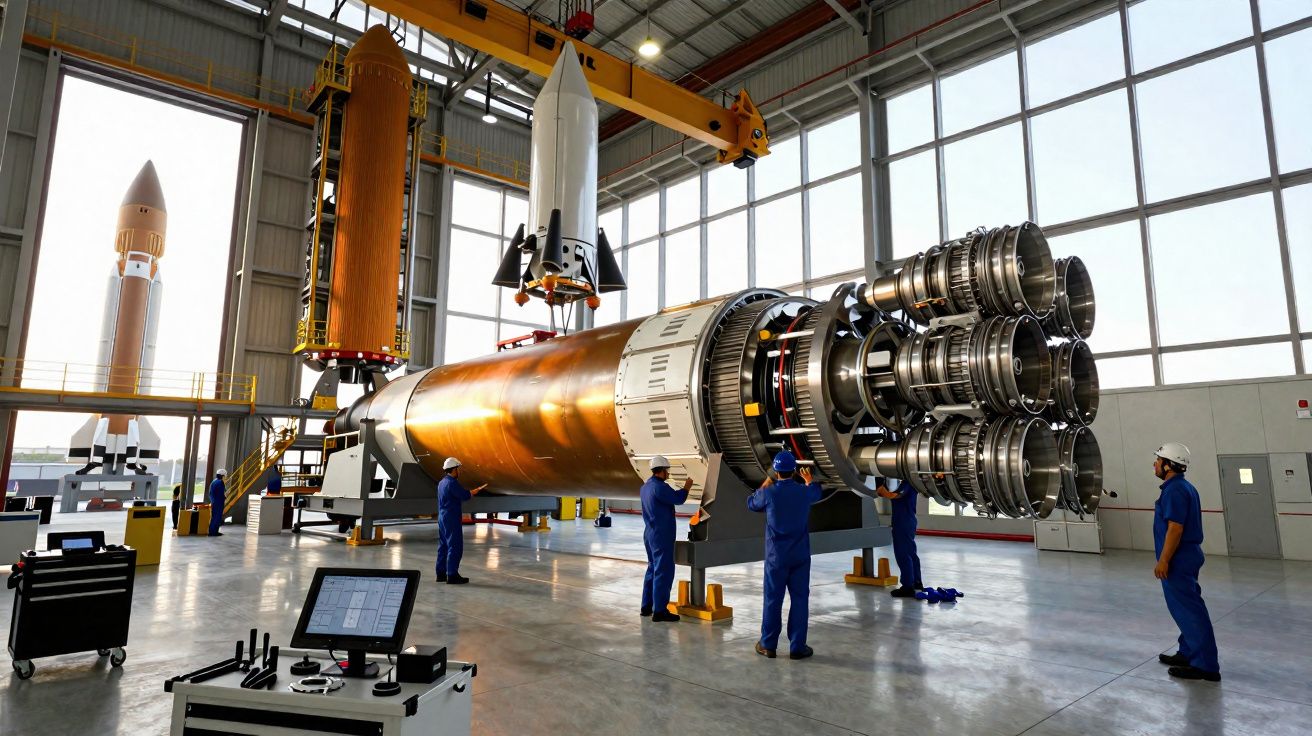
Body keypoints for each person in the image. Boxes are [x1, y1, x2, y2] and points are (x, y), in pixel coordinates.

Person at [1152, 442, 1220, 681]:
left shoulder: (1174, 491)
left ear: (1169, 465)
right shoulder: (1183, 487)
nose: (1155, 464)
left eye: (1158, 460)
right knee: (1186, 608)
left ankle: (1205, 665)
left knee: (1189, 611)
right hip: (1187, 556)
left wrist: (1164, 561)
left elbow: (1175, 528)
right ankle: (1188, 651)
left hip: (1178, 559)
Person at [748, 450, 822, 660]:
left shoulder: (769, 493)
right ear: (794, 471)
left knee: (773, 599)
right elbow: (817, 492)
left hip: (776, 558)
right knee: (800, 599)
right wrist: (808, 480)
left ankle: (768, 645)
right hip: (799, 556)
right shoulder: (803, 492)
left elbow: (751, 503)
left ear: (776, 471)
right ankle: (797, 647)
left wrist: (765, 483)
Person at [640, 456, 693, 622]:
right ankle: (660, 611)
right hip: (661, 536)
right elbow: (678, 499)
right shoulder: (660, 487)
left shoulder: (645, 487)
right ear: (661, 471)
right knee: (663, 571)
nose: (668, 473)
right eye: (667, 470)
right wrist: (687, 487)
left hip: (649, 533)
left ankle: (646, 606)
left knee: (652, 568)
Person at [436, 458, 484, 584]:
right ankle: (452, 575)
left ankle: (440, 574)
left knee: (443, 545)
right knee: (455, 545)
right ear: (454, 469)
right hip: (451, 517)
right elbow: (464, 495)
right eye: (458, 469)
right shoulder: (452, 483)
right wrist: (475, 491)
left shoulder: (442, 482)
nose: (459, 472)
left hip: (442, 517)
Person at [877, 479, 923, 598]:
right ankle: (917, 582)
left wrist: (879, 489)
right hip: (906, 521)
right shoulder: (909, 483)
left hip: (903, 522)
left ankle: (907, 587)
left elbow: (893, 495)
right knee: (911, 552)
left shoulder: (908, 483)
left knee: (903, 554)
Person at [207, 469, 227, 537]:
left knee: (214, 517)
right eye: (224, 476)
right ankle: (213, 532)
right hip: (219, 502)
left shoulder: (214, 481)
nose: (225, 477)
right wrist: (225, 497)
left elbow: (211, 493)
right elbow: (221, 493)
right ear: (222, 475)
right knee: (217, 517)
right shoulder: (220, 482)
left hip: (214, 501)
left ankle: (213, 531)